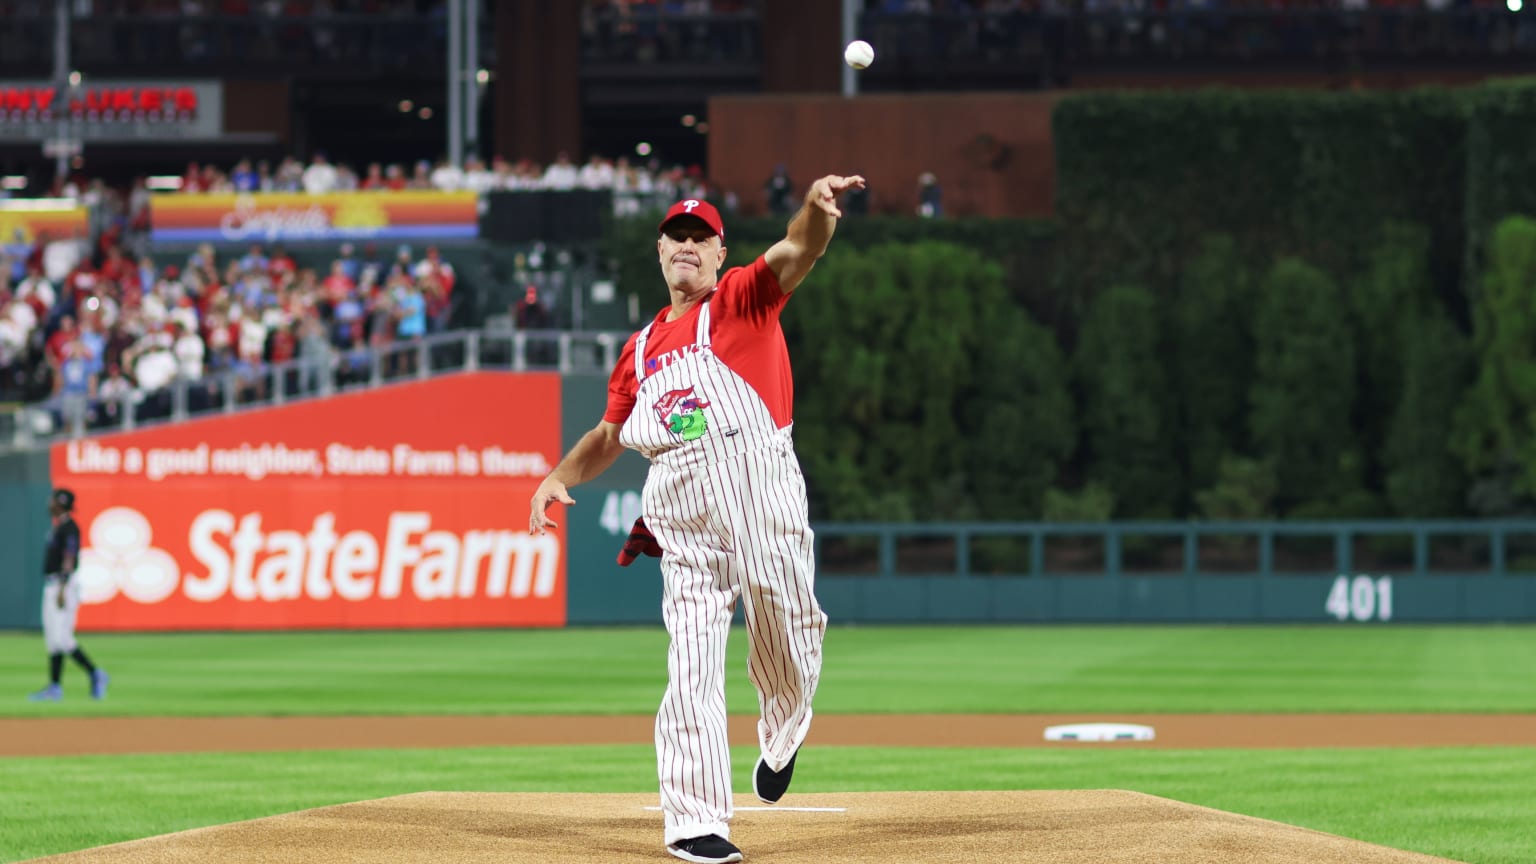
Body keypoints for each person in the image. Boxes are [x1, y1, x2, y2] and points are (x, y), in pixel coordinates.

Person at [528, 174, 865, 864]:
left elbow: (798, 251)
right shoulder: (641, 348)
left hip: (759, 488)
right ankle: (694, 821)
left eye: (700, 237)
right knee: (690, 666)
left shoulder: (740, 300)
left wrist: (816, 210)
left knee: (790, 627)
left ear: (718, 253)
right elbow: (608, 435)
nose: (687, 246)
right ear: (659, 251)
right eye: (676, 237)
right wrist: (558, 476)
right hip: (681, 509)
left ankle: (784, 727)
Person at [29, 488, 109, 702]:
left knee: (63, 639)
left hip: (62, 586)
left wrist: (63, 588)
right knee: (52, 641)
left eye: (53, 501)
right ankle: (55, 687)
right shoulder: (59, 527)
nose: (49, 504)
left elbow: (69, 557)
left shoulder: (69, 528)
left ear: (61, 503)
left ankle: (95, 674)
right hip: (52, 585)